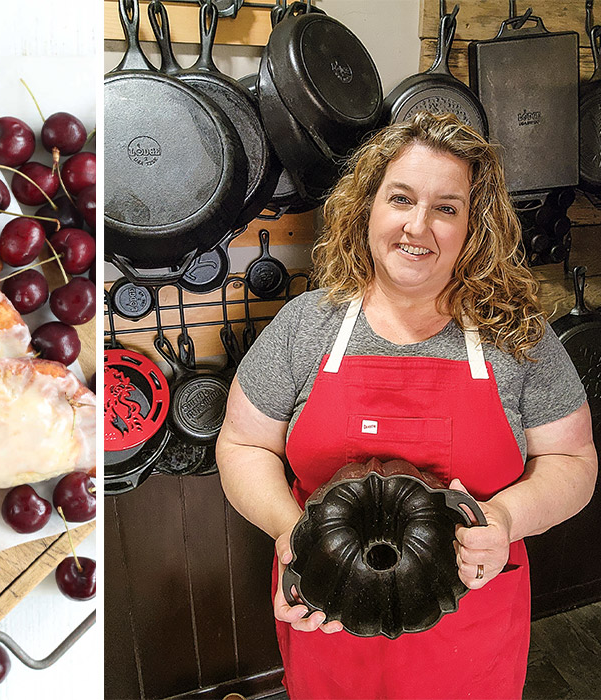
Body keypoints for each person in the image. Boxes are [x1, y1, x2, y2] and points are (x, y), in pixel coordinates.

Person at [216, 111, 598, 699]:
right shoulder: (306, 326)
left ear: (475, 226)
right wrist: (293, 534)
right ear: (369, 207)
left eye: (446, 207)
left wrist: (507, 520)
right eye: (401, 199)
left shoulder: (519, 337)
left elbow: (574, 462)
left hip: (470, 630)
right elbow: (242, 443)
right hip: (327, 611)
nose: (418, 226)